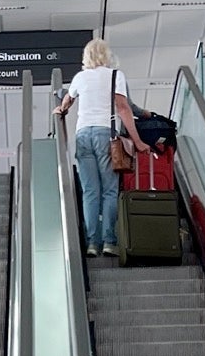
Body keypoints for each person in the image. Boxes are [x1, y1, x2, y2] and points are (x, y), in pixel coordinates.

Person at [52, 40, 151, 258]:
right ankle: (108, 242)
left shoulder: (80, 77)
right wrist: (138, 141)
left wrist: (61, 108)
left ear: (86, 57)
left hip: (83, 136)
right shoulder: (115, 75)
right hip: (106, 136)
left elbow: (68, 100)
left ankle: (91, 244)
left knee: (90, 192)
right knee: (109, 190)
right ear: (106, 55)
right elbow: (124, 108)